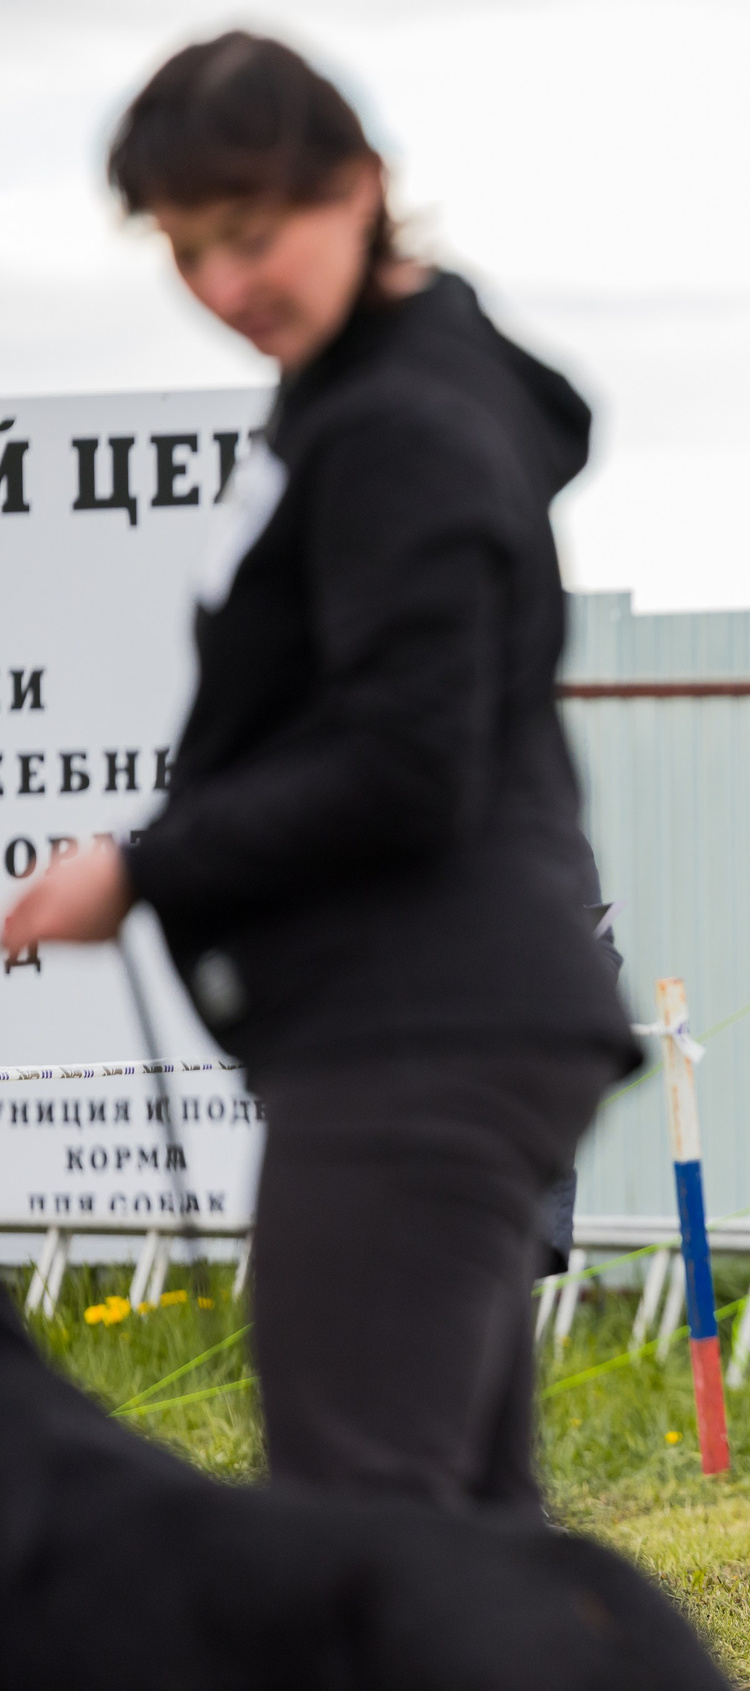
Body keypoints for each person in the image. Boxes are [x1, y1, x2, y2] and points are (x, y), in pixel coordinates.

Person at [2, 34, 637, 1513]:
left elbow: (405, 761)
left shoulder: (402, 421)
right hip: (453, 1016)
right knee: (455, 1535)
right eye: (187, 251)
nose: (226, 285)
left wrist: (143, 867)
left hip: (418, 1028)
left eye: (252, 233)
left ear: (360, 185)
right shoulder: (385, 378)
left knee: (361, 1522)